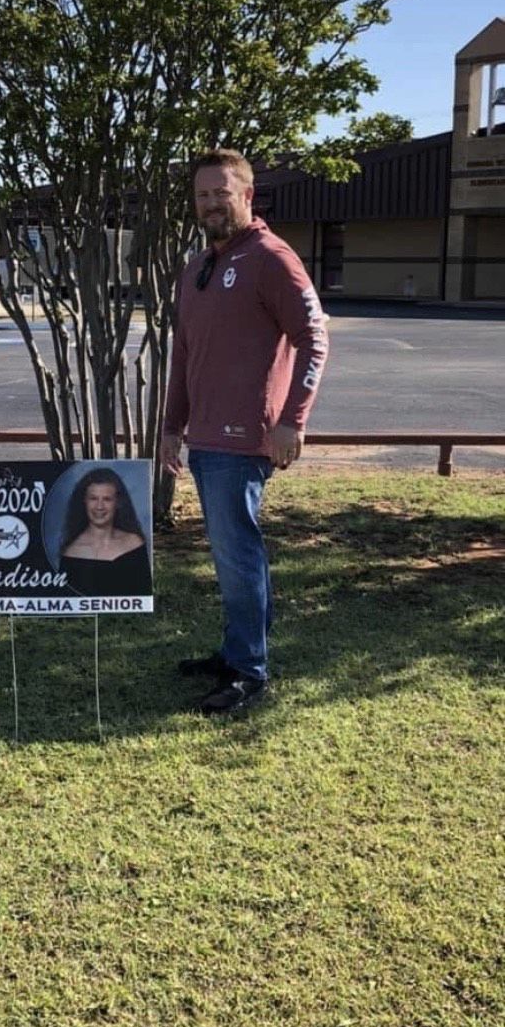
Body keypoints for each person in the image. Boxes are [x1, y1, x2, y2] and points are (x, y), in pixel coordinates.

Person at [162, 148, 329, 716]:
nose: (212, 203)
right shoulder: (198, 266)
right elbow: (184, 354)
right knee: (229, 555)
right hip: (205, 437)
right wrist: (172, 426)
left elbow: (314, 339)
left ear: (247, 195)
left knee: (237, 556)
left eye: (222, 192)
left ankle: (249, 672)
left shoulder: (271, 258)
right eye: (203, 194)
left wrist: (292, 420)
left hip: (244, 440)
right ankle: (236, 653)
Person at [59, 467, 152, 596]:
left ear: (118, 503)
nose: (99, 506)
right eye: (93, 498)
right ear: (84, 501)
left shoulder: (134, 543)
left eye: (107, 499)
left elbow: (144, 596)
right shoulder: (71, 552)